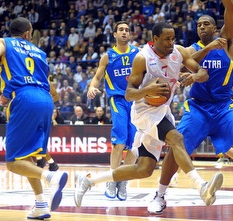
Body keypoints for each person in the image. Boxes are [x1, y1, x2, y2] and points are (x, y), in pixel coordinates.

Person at [148, 0, 233, 214]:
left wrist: (227, 4)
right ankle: (160, 195)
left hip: (223, 107)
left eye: (206, 24)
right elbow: (185, 63)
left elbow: (231, 10)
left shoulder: (226, 42)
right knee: (177, 146)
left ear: (215, 28)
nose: (202, 27)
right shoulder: (189, 49)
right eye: (199, 24)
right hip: (198, 107)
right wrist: (204, 54)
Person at [74, 21, 223, 208]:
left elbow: (203, 72)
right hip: (144, 112)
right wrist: (147, 89)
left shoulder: (178, 53)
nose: (171, 43)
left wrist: (194, 76)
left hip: (162, 111)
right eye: (167, 39)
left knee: (144, 169)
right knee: (176, 138)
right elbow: (129, 94)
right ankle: (202, 186)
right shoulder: (142, 58)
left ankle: (89, 181)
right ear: (155, 39)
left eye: (173, 39)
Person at [0, 17, 68, 219]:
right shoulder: (39, 52)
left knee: (13, 162)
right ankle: (40, 205)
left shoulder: (3, 42)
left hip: (23, 98)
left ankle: (51, 177)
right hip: (45, 99)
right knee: (28, 158)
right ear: (28, 33)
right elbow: (51, 87)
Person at [86, 21, 139, 201]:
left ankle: (123, 180)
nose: (124, 32)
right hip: (118, 100)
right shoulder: (107, 56)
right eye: (121, 30)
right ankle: (111, 179)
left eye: (127, 30)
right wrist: (92, 88)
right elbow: (97, 77)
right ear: (114, 34)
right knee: (119, 142)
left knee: (135, 145)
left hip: (137, 100)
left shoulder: (137, 53)